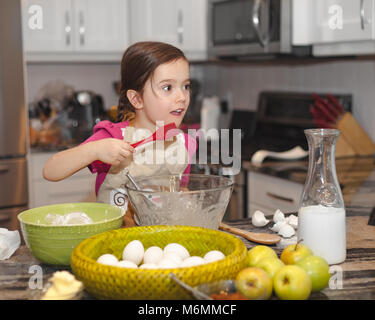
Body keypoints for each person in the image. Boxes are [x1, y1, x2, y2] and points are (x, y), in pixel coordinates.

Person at [43, 41, 197, 226]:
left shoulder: (183, 143)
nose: (182, 97)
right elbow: (50, 171)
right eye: (167, 87)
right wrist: (95, 150)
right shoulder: (112, 137)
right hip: (113, 242)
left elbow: (181, 189)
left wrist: (186, 200)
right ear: (137, 98)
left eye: (185, 86)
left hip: (160, 241)